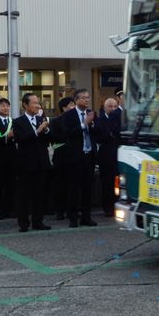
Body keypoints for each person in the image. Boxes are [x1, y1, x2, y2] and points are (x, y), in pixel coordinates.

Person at [12, 92, 52, 232]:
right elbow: (20, 139)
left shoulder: (41, 119)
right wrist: (37, 131)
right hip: (25, 163)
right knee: (24, 195)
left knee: (39, 194)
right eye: (34, 103)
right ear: (25, 105)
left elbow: (49, 139)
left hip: (41, 162)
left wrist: (46, 130)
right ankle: (23, 223)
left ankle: (38, 221)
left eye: (38, 103)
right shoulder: (18, 121)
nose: (37, 105)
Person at [62, 88, 99, 228]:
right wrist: (84, 124)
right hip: (75, 157)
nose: (87, 100)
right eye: (83, 98)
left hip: (89, 156)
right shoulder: (69, 115)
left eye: (88, 97)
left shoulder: (91, 114)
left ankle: (86, 217)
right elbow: (68, 133)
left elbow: (98, 132)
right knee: (74, 188)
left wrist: (92, 124)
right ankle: (72, 218)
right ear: (76, 100)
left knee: (88, 188)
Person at [49, 96, 76, 220]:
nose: (73, 107)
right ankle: (59, 210)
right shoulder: (56, 121)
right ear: (64, 107)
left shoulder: (78, 120)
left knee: (73, 185)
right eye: (71, 104)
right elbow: (54, 138)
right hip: (61, 156)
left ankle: (72, 210)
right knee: (60, 184)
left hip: (75, 157)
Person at [0, 97, 16, 220]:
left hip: (11, 157)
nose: (6, 108)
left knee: (10, 184)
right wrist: (8, 137)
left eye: (7, 105)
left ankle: (9, 209)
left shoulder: (13, 121)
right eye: (2, 106)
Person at [97, 98, 121, 217]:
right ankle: (107, 207)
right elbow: (99, 137)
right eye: (110, 106)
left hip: (117, 154)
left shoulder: (119, 118)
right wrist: (109, 134)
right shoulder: (100, 120)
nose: (112, 109)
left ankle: (117, 204)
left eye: (115, 106)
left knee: (117, 182)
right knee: (106, 182)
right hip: (106, 155)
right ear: (104, 107)